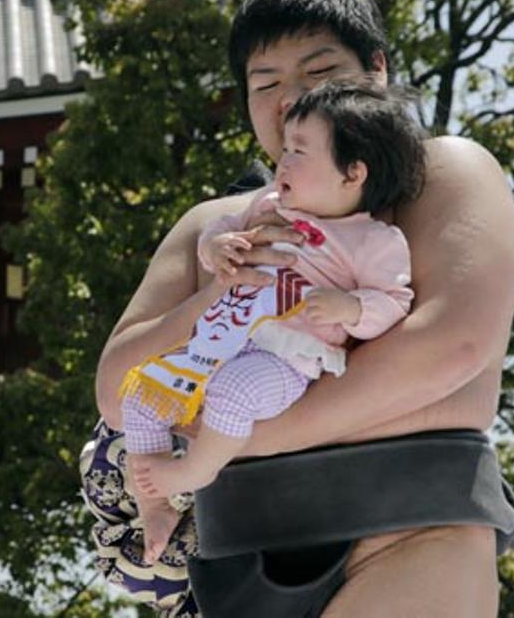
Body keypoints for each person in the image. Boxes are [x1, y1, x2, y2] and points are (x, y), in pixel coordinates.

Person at [85, 0, 514, 618]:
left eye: (319, 74)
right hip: (236, 550)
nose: (293, 98)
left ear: (376, 70)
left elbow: (454, 346)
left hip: (410, 527)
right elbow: (119, 391)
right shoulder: (212, 228)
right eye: (267, 83)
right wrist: (216, 294)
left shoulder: (443, 173)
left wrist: (235, 434)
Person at [122, 78, 424, 562]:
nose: (282, 162)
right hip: (226, 335)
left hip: (289, 359)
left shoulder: (374, 241)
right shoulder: (266, 205)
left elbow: (394, 301)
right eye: (285, 148)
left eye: (300, 151)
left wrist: (350, 308)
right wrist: (215, 247)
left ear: (352, 174)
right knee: (141, 393)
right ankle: (153, 504)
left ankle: (196, 471)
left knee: (234, 392)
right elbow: (220, 229)